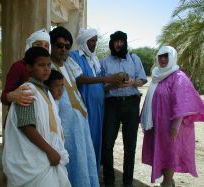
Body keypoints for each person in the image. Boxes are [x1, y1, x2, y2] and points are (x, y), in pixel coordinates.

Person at [2, 46, 71, 187]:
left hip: (48, 158)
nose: (46, 69)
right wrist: (50, 151)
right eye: (41, 65)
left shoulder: (43, 90)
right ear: (29, 67)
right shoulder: (27, 91)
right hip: (36, 162)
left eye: (48, 65)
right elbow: (27, 126)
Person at [140, 46, 204, 187]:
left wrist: (175, 126)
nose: (163, 59)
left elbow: (183, 103)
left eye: (166, 56)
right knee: (161, 151)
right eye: (161, 56)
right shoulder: (157, 75)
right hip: (157, 124)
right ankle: (169, 181)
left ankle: (167, 183)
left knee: (169, 153)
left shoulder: (179, 77)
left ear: (172, 58)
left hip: (172, 126)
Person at [49, 26, 99, 187]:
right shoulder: (46, 67)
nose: (63, 49)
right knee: (69, 161)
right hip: (64, 126)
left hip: (79, 123)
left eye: (67, 46)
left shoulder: (68, 64)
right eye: (59, 45)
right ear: (51, 45)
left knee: (82, 159)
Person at [69, 28, 122, 175]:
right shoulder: (74, 56)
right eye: (92, 41)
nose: (94, 44)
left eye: (96, 41)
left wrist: (113, 84)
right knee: (86, 139)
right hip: (85, 105)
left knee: (97, 140)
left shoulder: (94, 59)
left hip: (99, 107)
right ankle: (84, 175)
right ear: (84, 41)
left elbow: (100, 86)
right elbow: (79, 79)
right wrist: (106, 79)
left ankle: (93, 174)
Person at [101, 30, 147, 186]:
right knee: (107, 144)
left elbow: (143, 79)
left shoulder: (134, 59)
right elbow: (101, 87)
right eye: (116, 41)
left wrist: (133, 82)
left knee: (130, 145)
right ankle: (109, 180)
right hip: (112, 105)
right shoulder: (105, 61)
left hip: (132, 104)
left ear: (125, 43)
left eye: (121, 41)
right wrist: (111, 84)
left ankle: (128, 182)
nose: (119, 44)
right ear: (112, 43)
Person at [1, 28, 50, 107]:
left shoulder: (49, 67)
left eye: (46, 46)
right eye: (38, 44)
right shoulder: (19, 66)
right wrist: (13, 96)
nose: (42, 48)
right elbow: (3, 97)